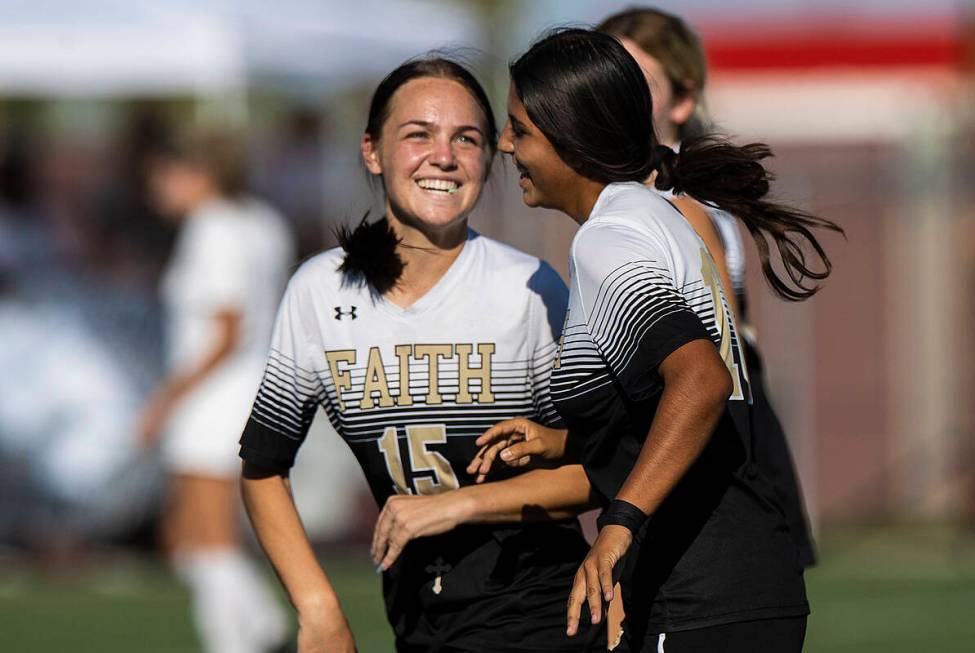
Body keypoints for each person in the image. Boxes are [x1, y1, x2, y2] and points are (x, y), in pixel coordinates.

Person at [474, 28, 843, 652]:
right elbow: (672, 415)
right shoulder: (657, 215)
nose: (505, 145)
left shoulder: (608, 240)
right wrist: (565, 442)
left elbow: (701, 382)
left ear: (571, 139)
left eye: (520, 129)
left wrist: (619, 525)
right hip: (743, 581)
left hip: (702, 588)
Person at [238, 57, 605, 653]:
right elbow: (262, 467)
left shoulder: (531, 288)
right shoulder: (319, 291)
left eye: (467, 138)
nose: (444, 156)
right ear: (372, 151)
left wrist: (457, 507)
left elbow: (604, 468)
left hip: (540, 610)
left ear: (490, 158)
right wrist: (318, 610)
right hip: (415, 616)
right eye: (418, 134)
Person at [597, 4, 817, 571]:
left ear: (683, 99)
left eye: (636, 83)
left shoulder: (680, 208)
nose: (614, 99)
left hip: (717, 457)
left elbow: (720, 361)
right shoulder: (623, 207)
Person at [140, 131, 294, 653]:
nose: (158, 187)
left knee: (205, 541)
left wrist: (166, 398)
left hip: (215, 399)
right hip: (251, 390)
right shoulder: (262, 221)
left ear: (197, 172)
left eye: (166, 174)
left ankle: (253, 633)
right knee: (194, 539)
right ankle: (257, 629)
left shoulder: (214, 228)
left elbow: (226, 328)